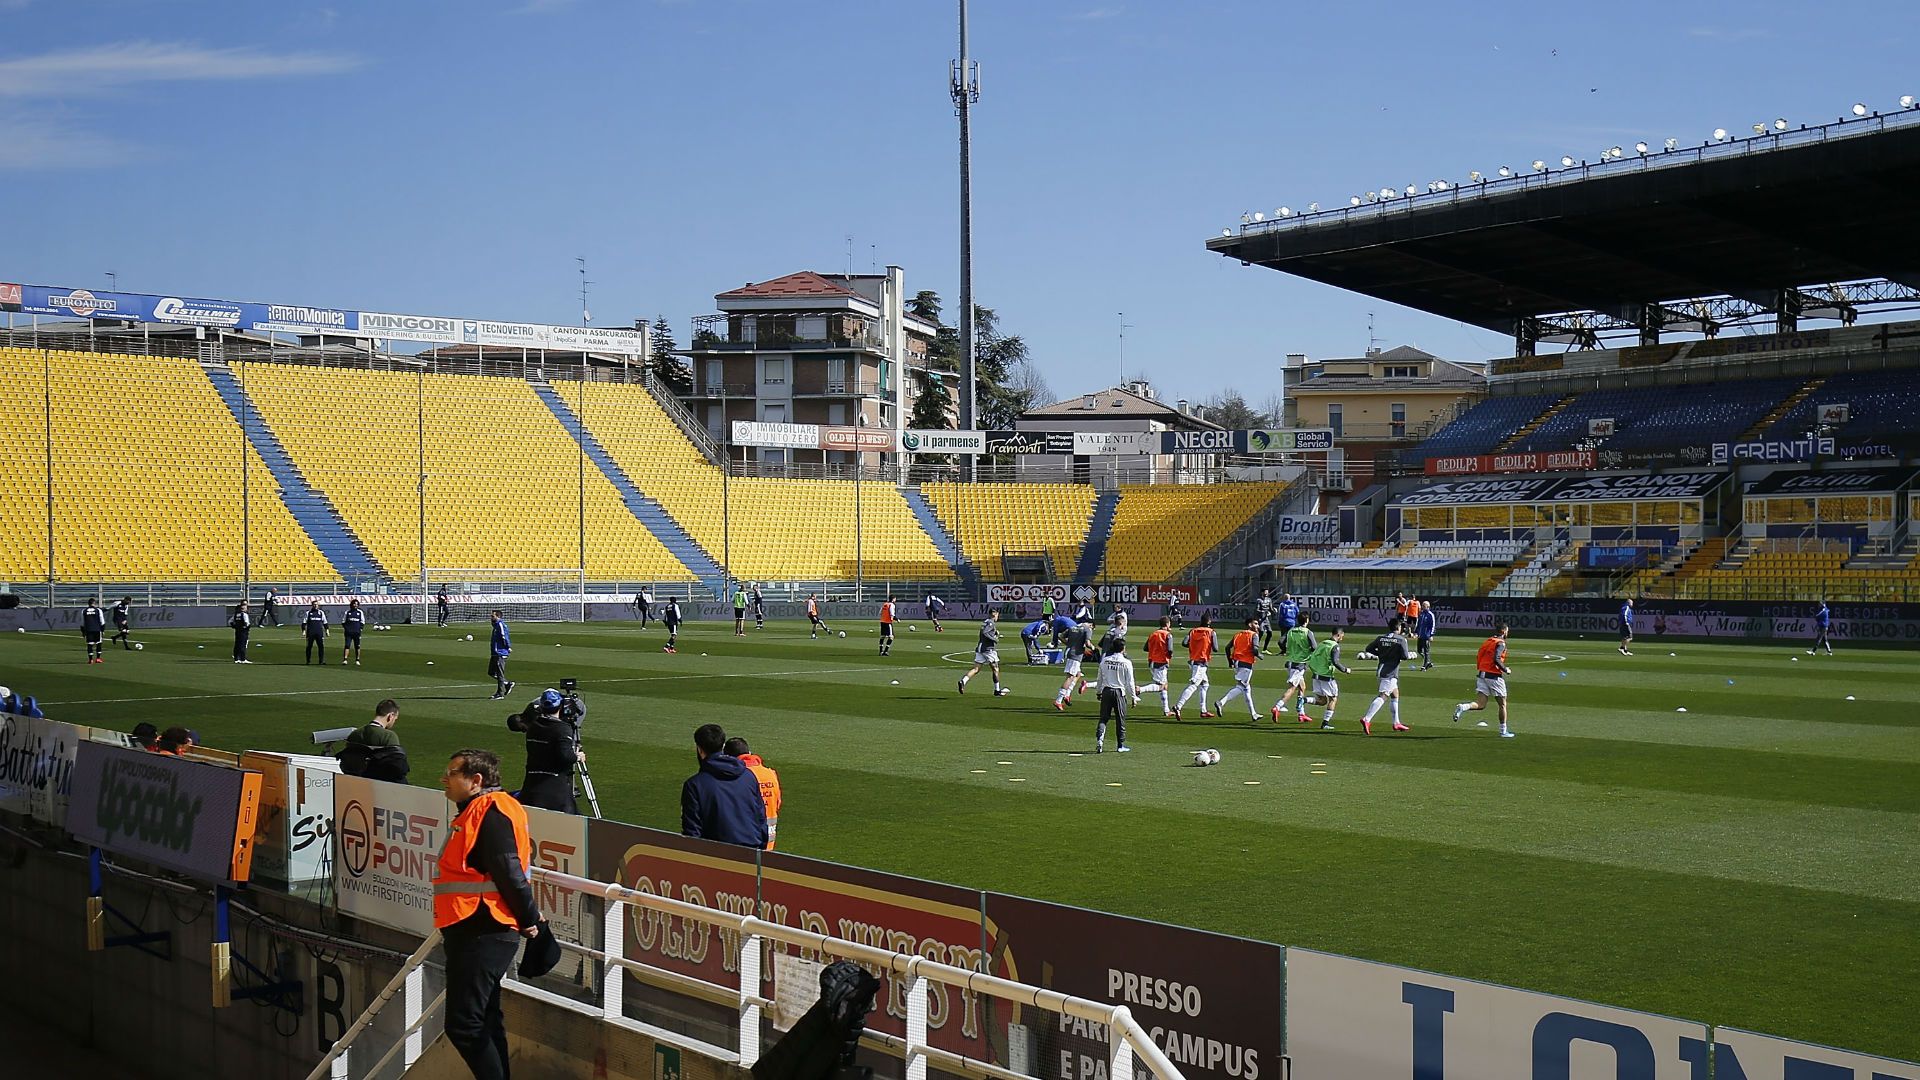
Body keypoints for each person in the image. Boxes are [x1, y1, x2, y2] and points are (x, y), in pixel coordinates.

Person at [435, 748, 544, 1080]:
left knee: (464, 1024)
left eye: (452, 773)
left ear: (476, 780)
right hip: (476, 928)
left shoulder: (489, 812)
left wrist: (529, 919)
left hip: (483, 929)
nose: (445, 778)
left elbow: (509, 871)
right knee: (484, 1019)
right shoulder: (481, 810)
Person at [681, 724, 768, 847]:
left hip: (719, 855)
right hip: (752, 852)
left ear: (700, 749)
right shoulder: (748, 776)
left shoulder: (695, 785)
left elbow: (692, 831)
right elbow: (760, 816)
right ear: (723, 746)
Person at [508, 689, 585, 814]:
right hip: (555, 788)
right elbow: (566, 756)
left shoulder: (533, 728)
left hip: (532, 784)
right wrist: (577, 756)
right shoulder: (562, 728)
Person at [1453, 621, 1515, 737]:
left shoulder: (1488, 641)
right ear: (1504, 631)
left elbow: (1479, 655)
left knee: (1481, 704)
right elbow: (1496, 659)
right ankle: (1503, 731)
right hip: (1493, 676)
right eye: (1507, 631)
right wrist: (1506, 669)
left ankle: (1463, 707)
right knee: (1502, 704)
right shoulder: (1501, 643)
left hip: (1482, 674)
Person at [724, 737, 782, 850]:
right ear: (749, 753)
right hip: (769, 838)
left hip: (746, 839)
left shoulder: (738, 777)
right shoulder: (770, 774)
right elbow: (777, 803)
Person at [1357, 625, 1413, 734]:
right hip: (1390, 672)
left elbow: (1368, 649)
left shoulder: (1381, 638)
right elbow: (1405, 656)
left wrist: (1381, 654)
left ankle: (1396, 722)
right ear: (1399, 628)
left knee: (1395, 694)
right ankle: (1367, 719)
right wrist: (1396, 656)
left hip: (1381, 669)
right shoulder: (1401, 639)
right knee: (1383, 695)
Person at [338, 699, 410, 782]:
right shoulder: (389, 736)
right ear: (390, 716)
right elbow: (398, 768)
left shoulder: (354, 734)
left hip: (357, 780)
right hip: (382, 782)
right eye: (395, 719)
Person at [1300, 627, 1352, 730]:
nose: (1342, 638)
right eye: (1342, 636)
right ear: (1338, 635)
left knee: (1322, 701)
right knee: (1333, 698)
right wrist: (1345, 670)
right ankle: (1325, 723)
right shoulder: (1335, 646)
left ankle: (1303, 700)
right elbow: (1335, 662)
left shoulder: (1323, 643)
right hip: (1326, 677)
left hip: (1316, 676)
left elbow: (1313, 656)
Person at [1271, 612, 1318, 722]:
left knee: (1302, 687)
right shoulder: (1308, 632)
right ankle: (1277, 707)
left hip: (1290, 662)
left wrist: (1287, 650)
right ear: (1307, 621)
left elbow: (1280, 642)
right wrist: (1307, 652)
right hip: (1299, 664)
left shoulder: (1291, 630)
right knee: (1292, 688)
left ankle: (1301, 713)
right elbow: (1314, 647)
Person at [1215, 616, 1264, 721]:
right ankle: (1221, 702)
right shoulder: (1254, 635)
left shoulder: (1238, 634)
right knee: (1241, 687)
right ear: (1250, 624)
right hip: (1246, 664)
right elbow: (1255, 650)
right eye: (1255, 623)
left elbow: (1227, 647)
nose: (1258, 626)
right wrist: (1260, 655)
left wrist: (1230, 662)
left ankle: (1253, 714)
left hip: (1237, 662)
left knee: (1247, 689)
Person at [1093, 637, 1136, 753]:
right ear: (1123, 648)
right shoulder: (1126, 662)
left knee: (1103, 718)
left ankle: (1099, 741)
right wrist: (1133, 697)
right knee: (1120, 719)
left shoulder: (1105, 660)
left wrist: (1098, 692)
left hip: (1106, 691)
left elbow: (1099, 679)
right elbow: (1130, 682)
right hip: (1119, 693)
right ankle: (1120, 745)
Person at [1174, 611, 1217, 719]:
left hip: (1194, 660)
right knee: (1193, 685)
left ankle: (1203, 710)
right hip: (1201, 663)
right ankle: (1178, 706)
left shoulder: (1192, 631)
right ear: (1209, 621)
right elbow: (1216, 648)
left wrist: (1195, 646)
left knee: (1205, 684)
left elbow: (1184, 643)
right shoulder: (1211, 632)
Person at [959, 610, 1010, 696]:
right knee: (995, 669)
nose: (998, 617)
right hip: (988, 650)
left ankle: (963, 681)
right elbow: (985, 632)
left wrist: (995, 632)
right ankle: (997, 690)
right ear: (995, 615)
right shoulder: (991, 623)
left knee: (976, 669)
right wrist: (994, 639)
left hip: (980, 649)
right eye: (998, 615)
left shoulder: (985, 621)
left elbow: (986, 631)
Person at [1052, 618, 1096, 711]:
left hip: (1070, 652)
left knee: (1078, 674)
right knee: (1070, 677)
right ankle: (1058, 700)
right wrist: (1093, 647)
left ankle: (1067, 695)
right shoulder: (1087, 629)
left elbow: (1061, 636)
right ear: (1091, 625)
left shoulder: (1073, 627)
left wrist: (1069, 644)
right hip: (1076, 655)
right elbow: (1088, 643)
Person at [1142, 617, 1174, 715]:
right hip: (1161, 662)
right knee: (1161, 686)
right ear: (1167, 624)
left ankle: (1166, 710)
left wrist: (1155, 650)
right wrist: (1168, 656)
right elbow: (1170, 649)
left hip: (1152, 661)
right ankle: (1140, 689)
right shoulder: (1168, 635)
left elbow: (1145, 648)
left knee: (1164, 685)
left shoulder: (1153, 634)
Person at [487, 610, 515, 700]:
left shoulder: (500, 625)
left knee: (500, 674)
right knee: (491, 672)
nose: (491, 618)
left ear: (498, 616)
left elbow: (504, 636)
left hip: (500, 652)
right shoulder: (496, 625)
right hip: (495, 652)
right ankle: (507, 684)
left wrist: (508, 647)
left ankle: (500, 694)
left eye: (492, 616)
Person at [302, 601, 329, 665]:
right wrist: (303, 631)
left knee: (321, 646)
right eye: (314, 604)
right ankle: (308, 661)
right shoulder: (308, 613)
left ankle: (321, 661)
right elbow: (304, 623)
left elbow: (325, 622)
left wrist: (327, 630)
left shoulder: (321, 613)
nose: (315, 606)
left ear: (318, 605)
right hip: (310, 632)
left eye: (316, 604)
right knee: (309, 646)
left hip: (319, 632)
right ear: (312, 605)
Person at [80, 596, 106, 664]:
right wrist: (102, 630)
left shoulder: (84, 611)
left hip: (88, 629)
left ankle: (90, 660)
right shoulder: (98, 610)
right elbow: (102, 621)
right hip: (97, 629)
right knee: (98, 643)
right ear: (94, 603)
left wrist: (83, 632)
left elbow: (82, 622)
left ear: (88, 604)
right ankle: (98, 658)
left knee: (90, 644)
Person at [341, 599, 367, 666]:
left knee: (357, 646)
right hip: (348, 633)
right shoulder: (348, 612)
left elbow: (362, 622)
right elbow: (343, 622)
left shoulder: (360, 612)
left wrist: (360, 629)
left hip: (357, 632)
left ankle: (357, 660)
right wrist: (347, 629)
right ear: (351, 604)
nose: (355, 605)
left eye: (357, 604)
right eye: (354, 604)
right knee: (347, 645)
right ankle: (345, 659)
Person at [1414, 601, 1436, 670]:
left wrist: (1431, 635)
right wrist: (1416, 632)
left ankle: (1425, 665)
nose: (1422, 607)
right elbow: (1419, 624)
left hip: (1426, 636)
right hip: (1420, 635)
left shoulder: (1430, 615)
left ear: (1428, 606)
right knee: (1419, 650)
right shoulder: (1421, 614)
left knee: (1426, 651)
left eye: (1424, 606)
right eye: (1422, 605)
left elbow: (1433, 626)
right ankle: (1428, 661)